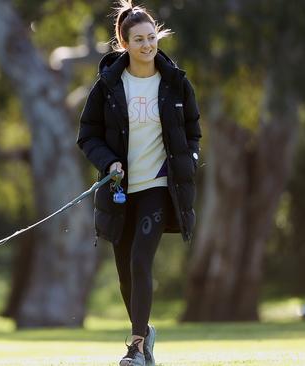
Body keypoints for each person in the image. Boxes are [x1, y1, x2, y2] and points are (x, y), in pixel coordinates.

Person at [76, 1, 202, 365]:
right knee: (125, 274)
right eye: (139, 40)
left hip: (159, 188)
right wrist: (109, 161)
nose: (148, 45)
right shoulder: (109, 86)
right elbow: (87, 136)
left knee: (141, 261)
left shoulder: (176, 83)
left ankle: (135, 347)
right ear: (124, 43)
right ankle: (145, 336)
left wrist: (189, 160)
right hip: (119, 190)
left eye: (152, 37)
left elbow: (193, 129)